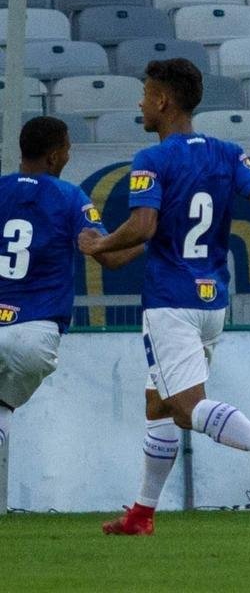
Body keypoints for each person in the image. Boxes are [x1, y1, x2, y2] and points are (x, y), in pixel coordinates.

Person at [80, 59, 250, 535]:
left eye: (146, 94)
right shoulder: (228, 153)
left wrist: (99, 244)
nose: (140, 104)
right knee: (158, 405)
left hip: (170, 301)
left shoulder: (152, 160)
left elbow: (144, 225)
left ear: (163, 101)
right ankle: (142, 514)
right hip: (211, 299)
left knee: (186, 407)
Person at [0, 117, 141, 466]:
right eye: (66, 149)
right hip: (34, 333)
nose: (68, 156)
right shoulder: (69, 197)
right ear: (52, 157)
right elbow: (110, 258)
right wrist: (150, 236)